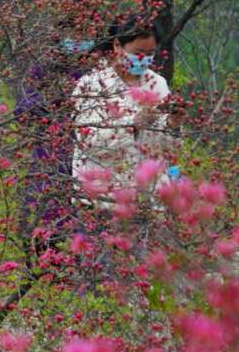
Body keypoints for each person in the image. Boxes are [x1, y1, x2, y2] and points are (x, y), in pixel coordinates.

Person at [71, 20, 172, 211]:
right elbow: (88, 141)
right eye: (138, 53)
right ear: (117, 46)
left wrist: (173, 124)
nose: (144, 59)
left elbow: (167, 150)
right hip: (102, 201)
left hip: (147, 201)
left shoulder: (158, 85)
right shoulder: (92, 85)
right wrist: (131, 125)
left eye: (150, 54)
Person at [17, 23, 95, 246]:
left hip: (90, 156)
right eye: (74, 33)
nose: (79, 39)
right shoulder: (46, 65)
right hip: (50, 155)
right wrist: (53, 101)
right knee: (46, 227)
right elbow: (23, 106)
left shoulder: (99, 68)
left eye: (85, 32)